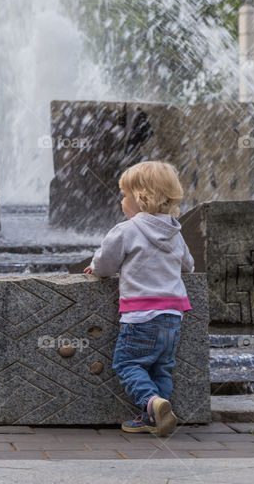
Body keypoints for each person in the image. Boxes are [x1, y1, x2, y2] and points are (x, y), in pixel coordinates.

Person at [84, 160, 193, 437]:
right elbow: (188, 266)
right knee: (162, 369)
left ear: (141, 198)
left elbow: (106, 265)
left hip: (140, 318)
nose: (121, 202)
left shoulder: (126, 230)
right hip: (173, 317)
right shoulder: (174, 233)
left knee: (127, 364)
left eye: (124, 195)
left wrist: (94, 268)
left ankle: (151, 403)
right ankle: (155, 417)